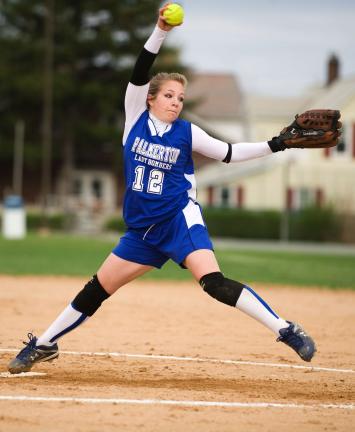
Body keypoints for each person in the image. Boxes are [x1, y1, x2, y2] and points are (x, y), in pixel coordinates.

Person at [8, 5, 318, 374]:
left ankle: (286, 330)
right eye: (169, 95)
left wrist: (276, 144)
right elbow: (139, 71)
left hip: (178, 218)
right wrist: (160, 31)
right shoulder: (135, 118)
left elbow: (229, 154)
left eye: (180, 98)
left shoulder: (188, 132)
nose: (175, 102)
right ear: (151, 98)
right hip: (142, 230)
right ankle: (44, 344)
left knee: (214, 284)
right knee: (95, 290)